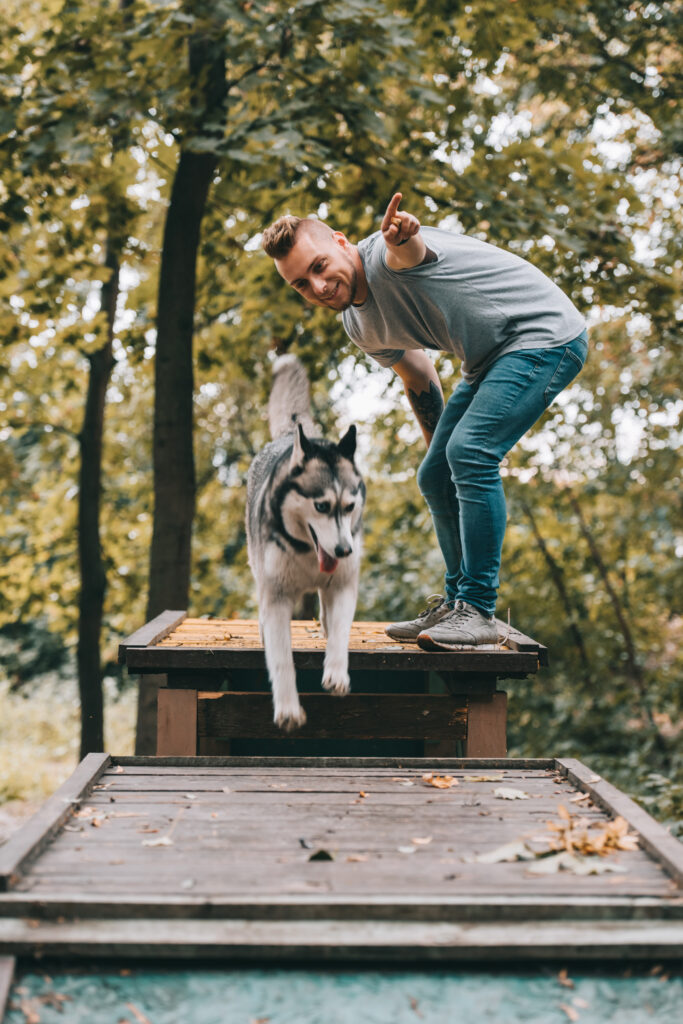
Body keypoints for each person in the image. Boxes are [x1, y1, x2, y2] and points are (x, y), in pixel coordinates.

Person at [261, 193, 588, 649]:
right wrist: (443, 457)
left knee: (471, 453)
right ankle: (457, 606)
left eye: (318, 267)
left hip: (544, 335)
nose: (316, 287)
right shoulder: (359, 326)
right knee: (435, 474)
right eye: (300, 284)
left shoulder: (386, 254)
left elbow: (408, 254)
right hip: (490, 361)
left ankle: (477, 609)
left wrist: (403, 236)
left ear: (339, 241)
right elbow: (416, 373)